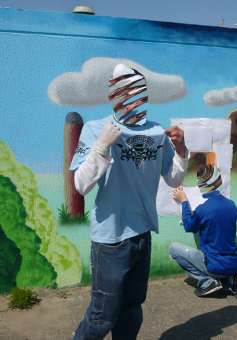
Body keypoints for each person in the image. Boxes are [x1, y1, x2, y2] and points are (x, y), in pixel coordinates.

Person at [70, 63, 188, 340]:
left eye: (138, 94)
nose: (133, 101)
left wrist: (182, 150)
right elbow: (80, 185)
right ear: (115, 95)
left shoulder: (157, 132)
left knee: (132, 310)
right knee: (102, 317)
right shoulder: (95, 129)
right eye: (125, 93)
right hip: (110, 240)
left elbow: (173, 179)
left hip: (142, 234)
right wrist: (101, 147)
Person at [169, 164, 237, 299]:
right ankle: (231, 280)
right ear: (218, 181)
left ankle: (208, 282)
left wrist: (183, 201)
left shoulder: (202, 209)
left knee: (173, 249)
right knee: (219, 258)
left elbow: (189, 226)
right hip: (234, 263)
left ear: (201, 186)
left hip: (214, 266)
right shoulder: (231, 205)